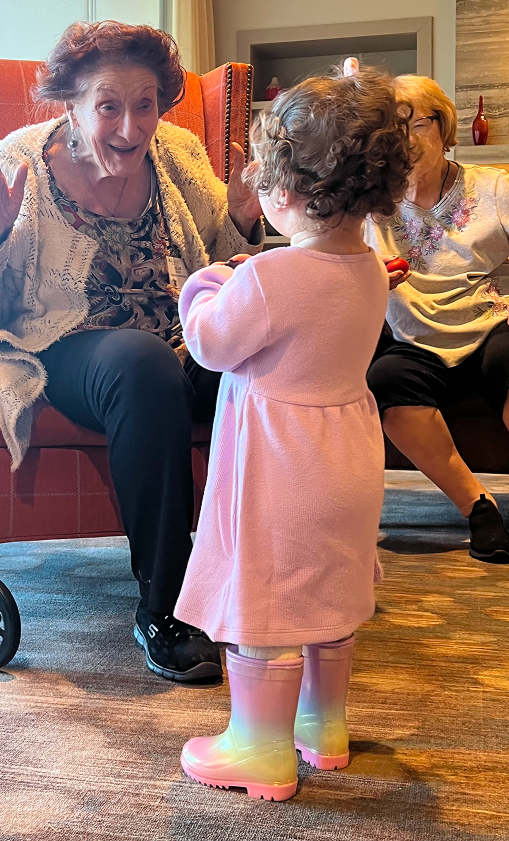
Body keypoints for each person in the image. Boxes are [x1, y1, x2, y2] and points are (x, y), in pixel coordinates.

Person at [0, 21, 264, 683]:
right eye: (108, 106)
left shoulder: (177, 154)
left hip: (184, 336)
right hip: (70, 346)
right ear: (71, 104)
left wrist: (243, 219)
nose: (130, 127)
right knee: (143, 364)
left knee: (267, 352)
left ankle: (278, 577)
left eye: (145, 105)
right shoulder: (18, 163)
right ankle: (164, 609)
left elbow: (225, 262)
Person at [172, 67, 412, 800]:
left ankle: (258, 748)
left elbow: (212, 343)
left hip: (278, 465)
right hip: (347, 461)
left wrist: (205, 284)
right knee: (327, 588)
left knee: (267, 599)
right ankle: (322, 726)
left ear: (289, 191)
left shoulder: (268, 276)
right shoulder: (370, 270)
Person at [362, 72, 509, 562]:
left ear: (443, 129)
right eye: (390, 128)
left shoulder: (493, 188)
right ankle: (478, 506)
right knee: (386, 379)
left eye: (414, 124)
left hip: (491, 325)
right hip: (412, 338)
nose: (402, 139)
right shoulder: (372, 205)